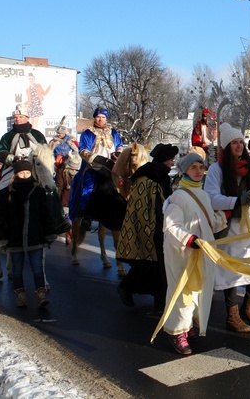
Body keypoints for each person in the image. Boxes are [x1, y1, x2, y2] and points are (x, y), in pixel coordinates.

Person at [204, 123, 250, 333]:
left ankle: (248, 309)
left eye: (241, 142)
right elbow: (211, 198)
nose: (240, 146)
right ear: (226, 146)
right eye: (235, 143)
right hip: (231, 225)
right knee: (231, 271)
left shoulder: (249, 165)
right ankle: (232, 315)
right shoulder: (216, 169)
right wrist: (236, 201)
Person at [161, 152, 226, 355]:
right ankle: (175, 331)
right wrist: (189, 240)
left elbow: (208, 223)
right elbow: (171, 227)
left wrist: (223, 218)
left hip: (201, 252)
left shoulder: (204, 194)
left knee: (197, 291)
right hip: (182, 253)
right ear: (184, 171)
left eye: (201, 167)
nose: (198, 171)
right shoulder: (178, 197)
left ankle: (187, 326)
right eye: (193, 167)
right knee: (182, 292)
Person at [116, 143, 177, 313]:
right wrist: (153, 228)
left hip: (160, 226)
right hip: (150, 228)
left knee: (159, 267)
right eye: (171, 159)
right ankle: (127, 288)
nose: (173, 162)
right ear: (164, 160)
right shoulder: (148, 177)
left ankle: (159, 302)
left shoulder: (161, 175)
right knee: (150, 266)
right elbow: (143, 206)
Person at [0, 159, 58, 308]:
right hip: (14, 238)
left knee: (37, 268)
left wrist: (49, 233)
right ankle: (20, 294)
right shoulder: (5, 193)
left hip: (35, 236)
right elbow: (0, 217)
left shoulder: (39, 191)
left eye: (27, 172)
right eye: (21, 172)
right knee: (17, 269)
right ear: (16, 174)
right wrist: (1, 237)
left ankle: (41, 294)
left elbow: (45, 214)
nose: (24, 175)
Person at [69, 107, 124, 266]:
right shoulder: (88, 133)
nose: (100, 120)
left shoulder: (113, 132)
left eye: (103, 117)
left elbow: (119, 145)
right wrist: (96, 159)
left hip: (111, 168)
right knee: (87, 190)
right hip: (93, 168)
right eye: (98, 117)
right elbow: (83, 150)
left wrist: (119, 153)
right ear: (94, 118)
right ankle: (84, 215)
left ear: (106, 119)